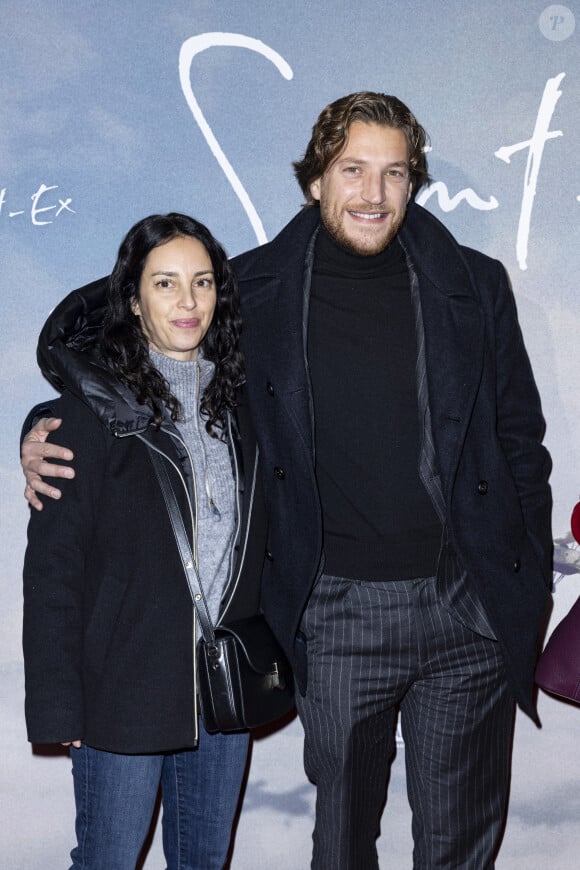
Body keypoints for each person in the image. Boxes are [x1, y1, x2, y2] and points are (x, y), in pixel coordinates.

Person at [22, 93, 553, 869]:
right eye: (352, 170)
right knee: (339, 845)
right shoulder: (249, 288)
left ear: (414, 182)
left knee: (459, 847)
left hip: (464, 610)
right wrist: (43, 426)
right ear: (315, 180)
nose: (373, 193)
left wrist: (524, 582)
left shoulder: (475, 285)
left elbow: (521, 445)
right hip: (336, 615)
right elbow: (105, 331)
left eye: (393, 173)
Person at [22, 213, 266, 870]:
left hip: (222, 692)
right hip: (120, 694)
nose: (187, 302)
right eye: (165, 283)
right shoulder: (90, 412)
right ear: (133, 300)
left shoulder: (247, 405)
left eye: (202, 282)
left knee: (205, 862)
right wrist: (55, 706)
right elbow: (53, 572)